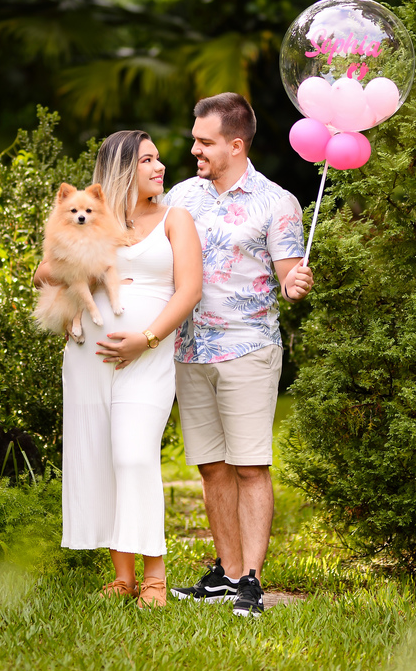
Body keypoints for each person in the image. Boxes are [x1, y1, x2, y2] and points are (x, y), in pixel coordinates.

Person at [35, 130, 202, 608]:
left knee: (133, 454)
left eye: (158, 159)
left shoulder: (176, 219)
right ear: (124, 169)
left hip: (147, 354)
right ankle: (122, 577)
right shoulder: (91, 217)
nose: (159, 167)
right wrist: (82, 273)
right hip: (90, 357)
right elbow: (43, 272)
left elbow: (188, 291)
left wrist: (145, 339)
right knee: (102, 459)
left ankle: (155, 576)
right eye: (147, 160)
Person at [164, 93, 313, 617]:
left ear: (235, 144)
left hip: (247, 348)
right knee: (210, 466)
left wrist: (295, 282)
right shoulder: (182, 195)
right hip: (188, 347)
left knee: (250, 466)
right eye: (195, 139)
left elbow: (289, 275)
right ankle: (225, 574)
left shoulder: (279, 203)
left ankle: (251, 578)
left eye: (204, 142)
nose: (195, 150)